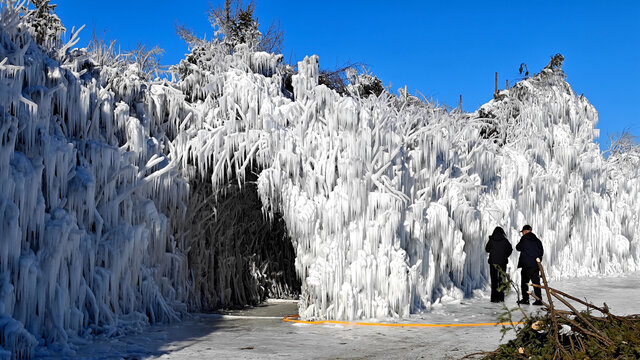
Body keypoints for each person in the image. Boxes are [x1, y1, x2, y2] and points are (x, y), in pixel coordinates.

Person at [515, 225, 544, 305]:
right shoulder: (537, 240)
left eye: (523, 232)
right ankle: (539, 299)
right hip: (535, 265)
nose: (522, 233)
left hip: (526, 265)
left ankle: (525, 299)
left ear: (525, 231)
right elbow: (541, 252)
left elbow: (518, 247)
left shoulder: (524, 239)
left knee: (524, 283)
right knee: (536, 283)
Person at [485, 226, 513, 302]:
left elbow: (487, 249)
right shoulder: (505, 240)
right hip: (502, 262)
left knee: (494, 280)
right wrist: (505, 255)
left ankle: (494, 298)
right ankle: (501, 298)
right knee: (502, 280)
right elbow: (510, 249)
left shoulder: (491, 240)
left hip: (493, 263)